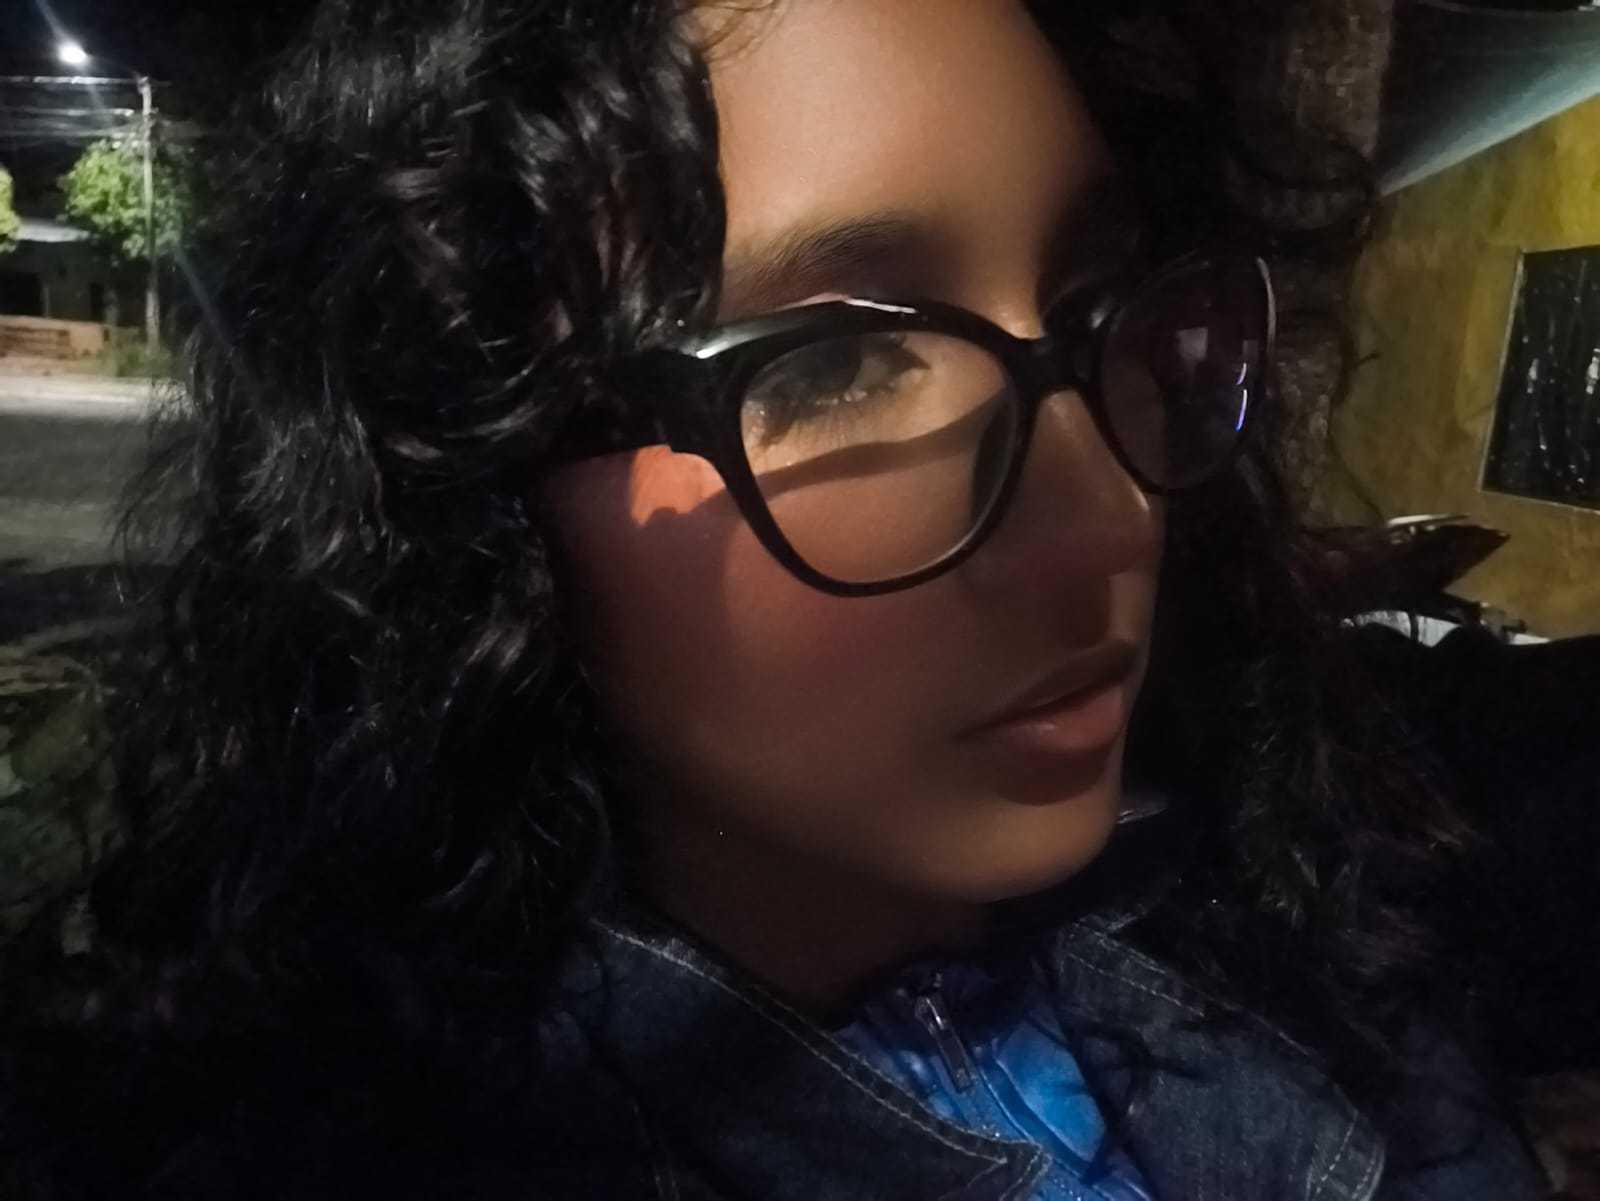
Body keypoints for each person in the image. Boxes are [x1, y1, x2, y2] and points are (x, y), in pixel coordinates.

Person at [0, 1, 1555, 1197]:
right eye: (838, 361)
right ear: (469, 476)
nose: (1110, 510)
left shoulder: (1291, 919)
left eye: (1095, 305)